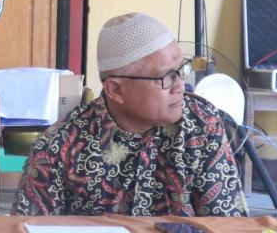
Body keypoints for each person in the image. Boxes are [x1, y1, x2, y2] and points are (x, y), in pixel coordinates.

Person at [12, 12, 246, 217]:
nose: (179, 86)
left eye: (180, 70)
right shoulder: (60, 146)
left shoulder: (201, 125)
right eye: (166, 77)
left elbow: (229, 228)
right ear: (116, 90)